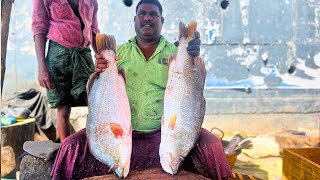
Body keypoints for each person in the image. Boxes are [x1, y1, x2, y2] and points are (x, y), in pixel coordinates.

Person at [51, 0, 232, 179]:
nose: (147, 18)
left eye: (154, 14)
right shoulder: (118, 53)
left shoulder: (175, 53)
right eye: (142, 14)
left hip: (162, 136)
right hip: (122, 135)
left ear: (162, 21)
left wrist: (191, 57)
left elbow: (194, 93)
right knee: (69, 145)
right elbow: (97, 93)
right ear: (134, 19)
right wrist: (98, 70)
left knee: (213, 145)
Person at [31, 0, 100, 142]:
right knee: (63, 108)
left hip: (83, 54)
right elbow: (39, 27)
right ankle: (65, 151)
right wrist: (41, 67)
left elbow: (93, 30)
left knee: (95, 103)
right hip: (58, 56)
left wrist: (102, 58)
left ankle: (97, 148)